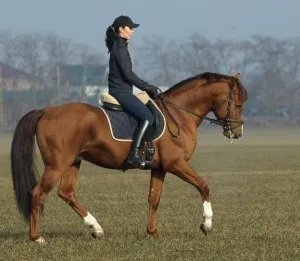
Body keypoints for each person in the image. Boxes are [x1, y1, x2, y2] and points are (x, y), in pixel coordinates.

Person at [105, 15, 160, 168]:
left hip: (123, 91)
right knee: (148, 116)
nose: (132, 31)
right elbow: (128, 75)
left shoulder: (119, 46)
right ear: (121, 29)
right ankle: (134, 154)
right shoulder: (119, 48)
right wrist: (148, 87)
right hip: (121, 92)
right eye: (130, 28)